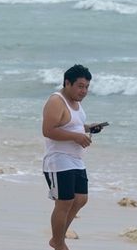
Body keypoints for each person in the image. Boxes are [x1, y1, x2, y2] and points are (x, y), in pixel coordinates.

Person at [42, 64, 105, 250]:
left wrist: (88, 128)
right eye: (80, 86)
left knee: (81, 199)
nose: (83, 91)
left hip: (76, 159)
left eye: (86, 87)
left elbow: (71, 125)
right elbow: (48, 130)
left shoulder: (76, 103)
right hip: (58, 159)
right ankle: (59, 243)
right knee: (65, 202)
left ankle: (57, 239)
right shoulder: (56, 101)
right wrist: (77, 137)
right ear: (67, 83)